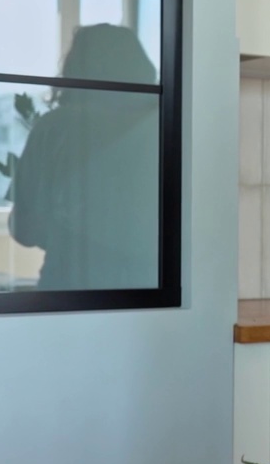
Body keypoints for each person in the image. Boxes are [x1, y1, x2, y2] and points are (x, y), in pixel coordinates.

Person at [9, 24, 159, 291]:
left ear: (75, 68)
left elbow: (25, 230)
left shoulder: (54, 129)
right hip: (151, 289)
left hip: (68, 286)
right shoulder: (164, 127)